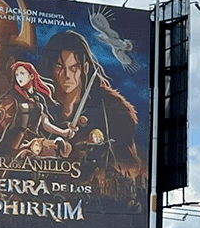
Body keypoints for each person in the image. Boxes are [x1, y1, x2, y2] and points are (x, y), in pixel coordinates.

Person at [39, 30, 143, 177]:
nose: (67, 75)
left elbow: (130, 168)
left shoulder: (111, 110)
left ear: (85, 68)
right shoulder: (40, 103)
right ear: (51, 67)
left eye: (73, 68)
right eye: (60, 66)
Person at [0, 62, 76, 156]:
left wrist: (63, 132)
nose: (19, 77)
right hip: (15, 141)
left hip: (35, 140)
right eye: (17, 75)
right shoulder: (13, 96)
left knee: (63, 148)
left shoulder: (38, 99)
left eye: (22, 73)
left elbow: (46, 124)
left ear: (31, 76)